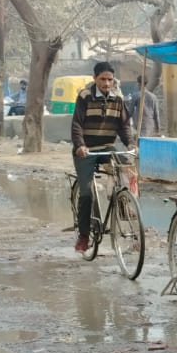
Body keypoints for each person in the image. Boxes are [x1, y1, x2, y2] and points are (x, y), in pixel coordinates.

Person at [68, 61, 136, 252]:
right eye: (103, 79)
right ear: (95, 79)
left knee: (126, 169)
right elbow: (77, 125)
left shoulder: (118, 98)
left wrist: (130, 143)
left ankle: (123, 204)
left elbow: (123, 126)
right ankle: (83, 235)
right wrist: (80, 145)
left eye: (110, 79)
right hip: (87, 150)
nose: (107, 84)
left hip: (107, 147)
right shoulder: (85, 96)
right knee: (87, 193)